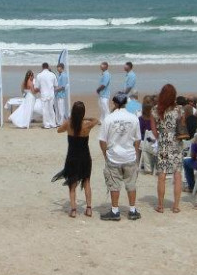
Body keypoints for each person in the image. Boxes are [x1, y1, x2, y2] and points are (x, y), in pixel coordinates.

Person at [99, 93, 141, 221]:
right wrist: (134, 152)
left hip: (114, 155)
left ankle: (115, 210)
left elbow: (102, 140)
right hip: (129, 155)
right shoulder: (133, 118)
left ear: (115, 103)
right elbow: (138, 139)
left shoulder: (109, 118)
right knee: (131, 183)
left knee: (114, 184)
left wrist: (105, 154)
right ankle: (132, 209)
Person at [52, 101, 98, 218]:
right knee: (87, 182)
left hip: (72, 157)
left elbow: (58, 130)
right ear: (82, 113)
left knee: (72, 185)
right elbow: (96, 120)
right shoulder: (87, 125)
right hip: (85, 157)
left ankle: (73, 210)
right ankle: (88, 209)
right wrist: (84, 117)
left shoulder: (69, 124)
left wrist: (73, 118)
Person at [150, 84, 184, 213]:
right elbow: (182, 126)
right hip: (176, 143)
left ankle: (160, 205)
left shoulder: (155, 110)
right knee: (177, 174)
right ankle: (175, 206)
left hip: (164, 143)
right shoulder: (179, 109)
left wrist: (162, 136)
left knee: (162, 175)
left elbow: (154, 131)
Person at [35, 62, 58, 129]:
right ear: (48, 67)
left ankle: (47, 125)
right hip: (51, 94)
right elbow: (56, 85)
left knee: (45, 110)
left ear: (42, 67)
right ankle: (53, 124)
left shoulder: (39, 75)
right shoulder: (52, 74)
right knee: (51, 109)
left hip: (44, 94)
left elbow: (37, 86)